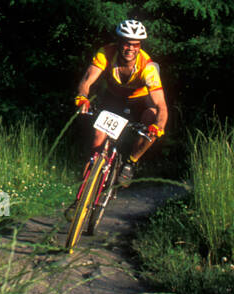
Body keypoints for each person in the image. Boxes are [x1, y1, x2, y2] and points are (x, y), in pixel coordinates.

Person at [65, 20, 168, 220]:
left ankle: (131, 162)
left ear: (140, 46)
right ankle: (79, 200)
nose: (130, 48)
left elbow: (161, 105)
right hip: (113, 101)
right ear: (119, 42)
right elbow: (87, 81)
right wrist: (82, 96)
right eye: (126, 43)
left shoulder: (148, 68)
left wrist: (159, 126)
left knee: (152, 117)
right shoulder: (106, 53)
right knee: (96, 141)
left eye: (135, 44)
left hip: (139, 104)